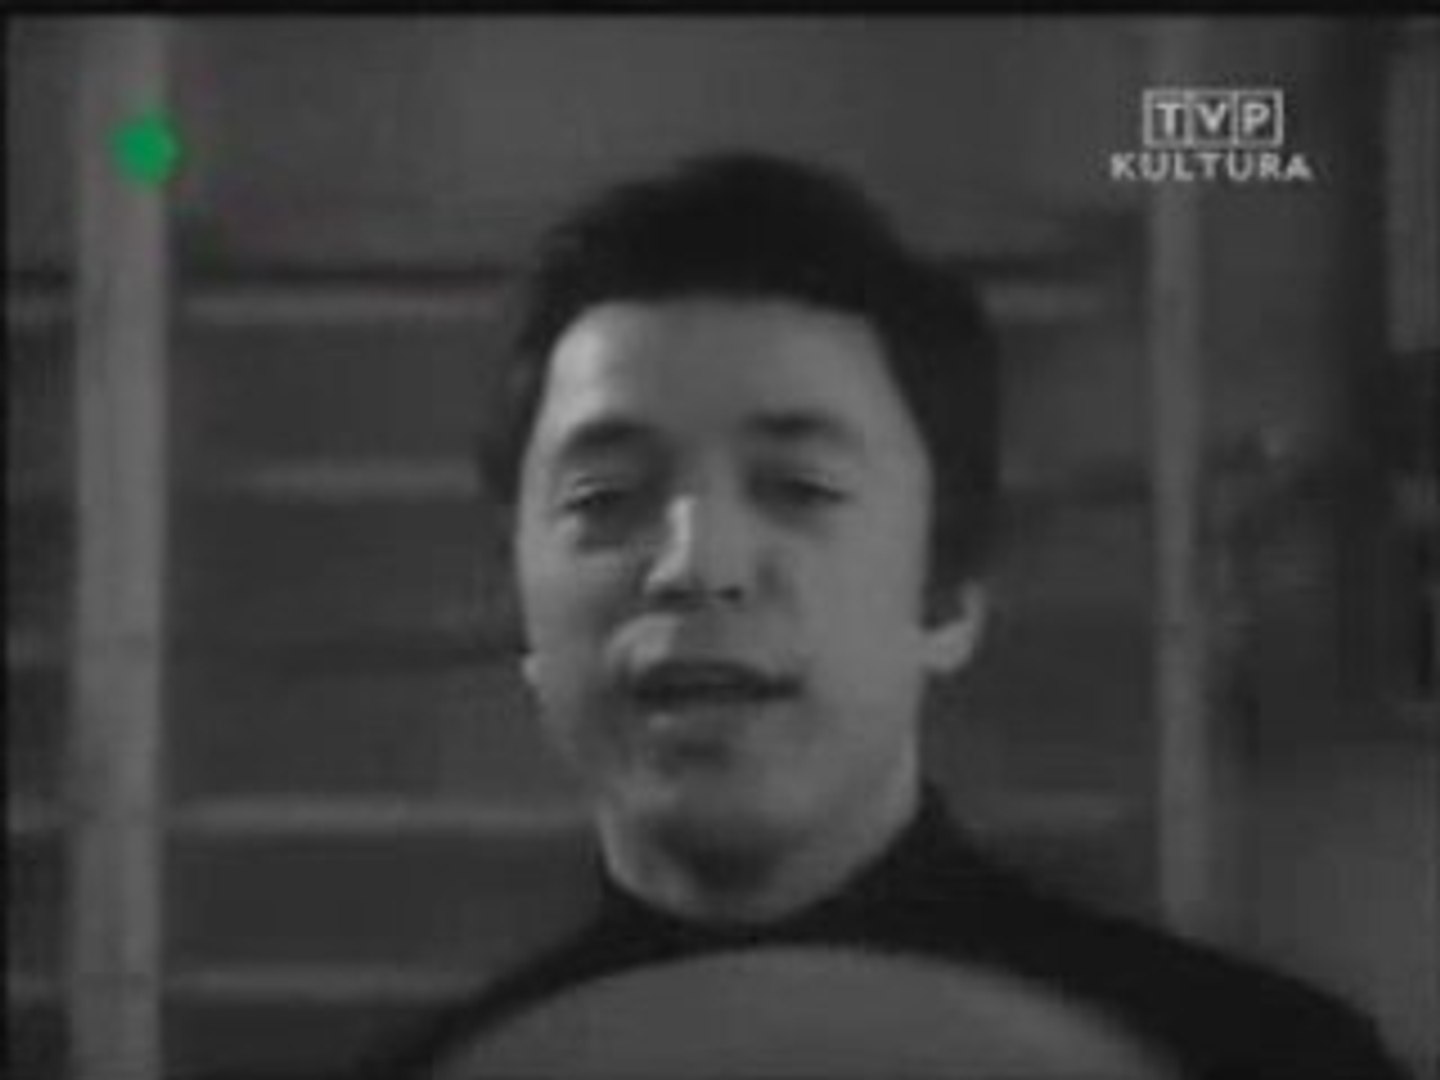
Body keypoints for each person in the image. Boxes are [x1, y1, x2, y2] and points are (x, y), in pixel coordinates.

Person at [356, 152, 1407, 1079]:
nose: (696, 563)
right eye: (604, 498)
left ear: (945, 592)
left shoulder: (1261, 1063)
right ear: (518, 606)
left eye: (800, 487)